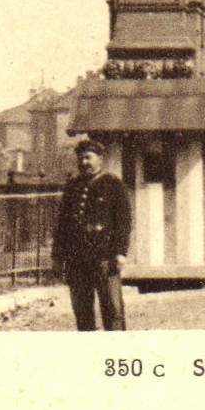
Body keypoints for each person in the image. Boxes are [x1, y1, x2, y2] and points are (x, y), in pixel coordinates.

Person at [53, 136, 131, 331]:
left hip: (104, 258)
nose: (83, 162)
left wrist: (121, 252)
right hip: (77, 260)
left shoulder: (113, 184)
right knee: (82, 311)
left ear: (99, 159)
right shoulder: (72, 187)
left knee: (113, 310)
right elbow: (62, 225)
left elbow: (123, 222)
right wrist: (57, 256)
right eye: (80, 158)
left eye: (88, 157)